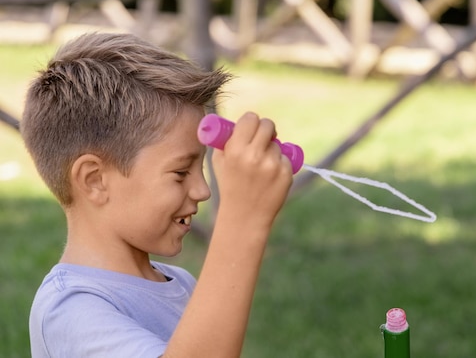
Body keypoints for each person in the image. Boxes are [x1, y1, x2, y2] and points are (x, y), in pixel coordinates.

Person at [21, 32, 294, 357]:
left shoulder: (178, 284)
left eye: (200, 168)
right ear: (94, 180)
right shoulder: (69, 308)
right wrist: (242, 222)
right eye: (181, 173)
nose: (202, 190)